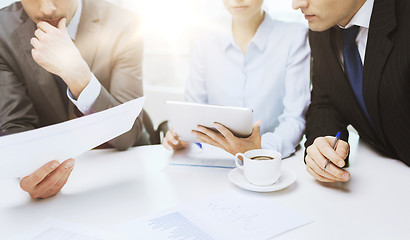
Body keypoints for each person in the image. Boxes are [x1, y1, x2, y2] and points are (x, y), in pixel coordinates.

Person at [0, 0, 147, 198]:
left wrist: (77, 76)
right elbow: (15, 127)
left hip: (125, 169)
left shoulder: (124, 23)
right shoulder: (2, 30)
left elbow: (128, 134)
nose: (46, 9)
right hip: (55, 176)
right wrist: (29, 173)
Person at [162, 0, 311, 158]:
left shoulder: (295, 36)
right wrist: (184, 137)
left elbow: (294, 118)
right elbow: (193, 110)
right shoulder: (206, 39)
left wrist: (259, 149)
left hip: (270, 162)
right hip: (213, 160)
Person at [292, 0, 410, 183]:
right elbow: (326, 101)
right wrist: (325, 143)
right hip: (382, 180)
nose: (296, 4)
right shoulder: (321, 30)